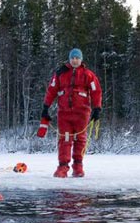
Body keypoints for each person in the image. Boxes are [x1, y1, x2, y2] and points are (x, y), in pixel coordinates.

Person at [42, 48, 103, 178]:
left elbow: (96, 91)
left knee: (80, 139)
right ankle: (63, 166)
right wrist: (45, 107)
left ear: (81, 60)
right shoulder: (60, 73)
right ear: (69, 59)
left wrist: (97, 108)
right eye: (73, 58)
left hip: (82, 113)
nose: (75, 60)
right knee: (65, 138)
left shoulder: (88, 75)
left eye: (77, 58)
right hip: (64, 113)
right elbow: (51, 90)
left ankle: (78, 166)